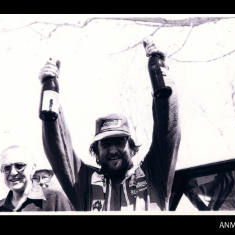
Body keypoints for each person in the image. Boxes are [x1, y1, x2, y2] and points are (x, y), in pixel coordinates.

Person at [39, 38, 181, 211]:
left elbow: (168, 131)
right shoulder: (85, 183)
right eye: (105, 144)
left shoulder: (154, 173)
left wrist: (159, 74)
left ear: (131, 147)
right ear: (96, 151)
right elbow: (59, 151)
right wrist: (49, 90)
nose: (113, 150)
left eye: (119, 142)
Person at [0, 145, 73, 212]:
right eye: (7, 168)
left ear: (33, 168)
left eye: (19, 166)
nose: (13, 173)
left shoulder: (55, 200)